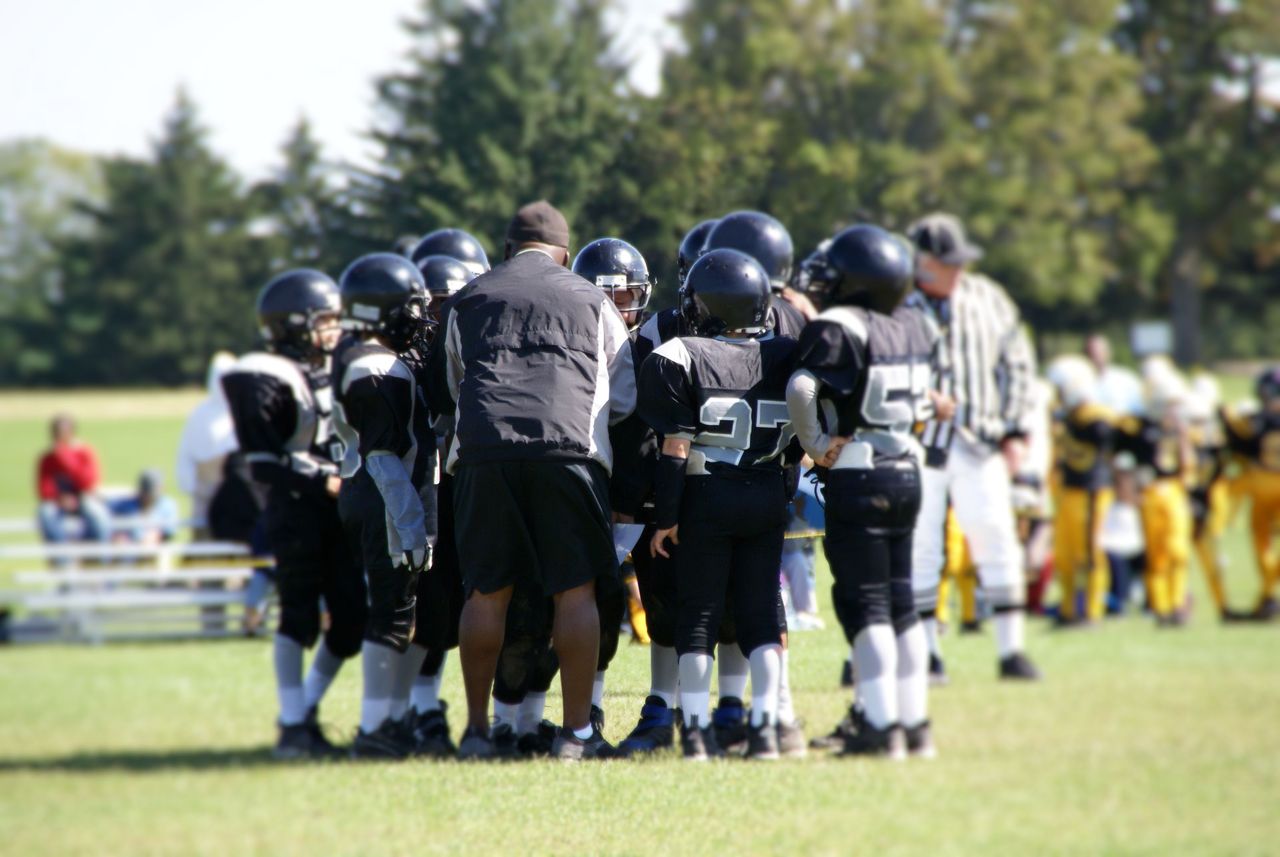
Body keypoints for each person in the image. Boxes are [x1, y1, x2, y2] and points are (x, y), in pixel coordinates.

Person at [438, 200, 635, 761]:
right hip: (569, 452)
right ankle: (576, 736)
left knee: (486, 591)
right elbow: (622, 393)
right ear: (565, 254)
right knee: (575, 590)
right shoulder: (593, 299)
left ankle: (477, 733)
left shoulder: (469, 297)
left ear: (506, 249)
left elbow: (454, 385)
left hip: (482, 454)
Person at [786, 225, 941, 758]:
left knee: (870, 603)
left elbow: (802, 386)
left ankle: (879, 724)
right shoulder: (917, 325)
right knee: (903, 603)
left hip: (859, 470)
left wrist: (816, 442)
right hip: (906, 468)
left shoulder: (840, 324)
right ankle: (914, 722)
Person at [640, 247, 799, 761]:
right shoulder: (788, 354)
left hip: (705, 496)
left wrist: (665, 519)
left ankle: (698, 735)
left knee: (699, 619)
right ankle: (767, 728)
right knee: (759, 618)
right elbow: (797, 443)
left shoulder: (679, 353)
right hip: (767, 493)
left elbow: (674, 449)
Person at [222, 268, 367, 759]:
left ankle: (304, 711)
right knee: (297, 617)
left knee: (350, 622)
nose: (333, 330)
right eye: (324, 320)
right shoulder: (262, 371)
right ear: (293, 325)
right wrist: (321, 478)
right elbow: (262, 463)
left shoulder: (336, 362)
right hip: (295, 510)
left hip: (338, 510)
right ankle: (291, 723)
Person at [905, 212, 1041, 681]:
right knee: (921, 546)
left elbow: (1018, 364)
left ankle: (1011, 651)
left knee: (996, 537)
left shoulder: (988, 297)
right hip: (917, 442)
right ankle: (927, 654)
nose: (957, 270)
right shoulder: (897, 302)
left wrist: (1017, 430)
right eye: (947, 262)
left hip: (980, 438)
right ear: (922, 262)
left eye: (959, 261)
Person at [330, 252, 441, 758]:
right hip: (382, 497)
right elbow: (383, 454)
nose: (418, 318)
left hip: (369, 494)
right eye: (410, 307)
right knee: (391, 618)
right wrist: (411, 523)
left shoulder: (355, 355)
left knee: (399, 615)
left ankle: (390, 721)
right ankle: (376, 728)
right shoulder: (377, 366)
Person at [1117, 366, 1194, 626]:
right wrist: (1130, 490)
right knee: (1157, 555)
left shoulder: (1177, 428)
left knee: (1179, 551)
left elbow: (1187, 462)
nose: (1172, 410)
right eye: (1168, 404)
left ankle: (1177, 603)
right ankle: (1161, 607)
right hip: (1150, 492)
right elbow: (1123, 461)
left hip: (1174, 489)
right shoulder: (1137, 427)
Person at [1045, 355, 1115, 626]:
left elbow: (1107, 437)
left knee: (1089, 553)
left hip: (1091, 491)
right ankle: (1068, 610)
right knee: (1064, 555)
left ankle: (1091, 611)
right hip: (1068, 490)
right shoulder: (1065, 416)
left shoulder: (1097, 418)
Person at [1221, 366, 1280, 619]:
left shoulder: (1260, 419)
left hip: (1262, 483)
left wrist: (1228, 413)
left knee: (1262, 545)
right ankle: (1267, 596)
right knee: (1262, 546)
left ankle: (1267, 596)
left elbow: (1239, 440)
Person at [176, 352, 239, 539]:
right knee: (204, 534)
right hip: (205, 489)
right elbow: (186, 450)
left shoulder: (239, 410)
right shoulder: (200, 414)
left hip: (236, 489)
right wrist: (189, 483)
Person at [36, 414, 111, 545]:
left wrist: (65, 457)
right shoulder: (47, 458)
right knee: (45, 512)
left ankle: (97, 555)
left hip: (84, 498)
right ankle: (62, 558)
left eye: (63, 433)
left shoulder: (84, 453)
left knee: (95, 512)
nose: (60, 437)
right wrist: (60, 499)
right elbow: (44, 488)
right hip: (58, 502)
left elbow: (89, 482)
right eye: (57, 434)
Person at [108, 469, 180, 545]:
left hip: (156, 548)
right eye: (145, 493)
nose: (147, 498)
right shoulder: (125, 505)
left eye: (150, 494)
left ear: (161, 489)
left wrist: (156, 537)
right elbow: (114, 529)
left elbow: (168, 535)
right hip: (129, 548)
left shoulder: (167, 505)